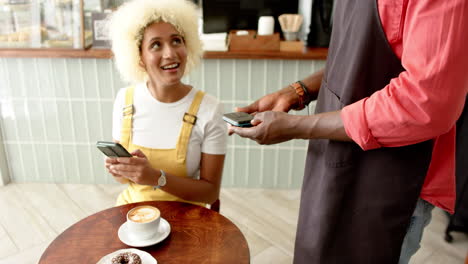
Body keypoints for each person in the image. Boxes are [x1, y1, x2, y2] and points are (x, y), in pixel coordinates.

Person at [229, 0, 468, 263]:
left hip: (391, 179)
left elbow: (427, 102)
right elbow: (357, 56)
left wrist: (297, 127)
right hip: (335, 161)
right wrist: (298, 91)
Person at [104, 0, 227, 207]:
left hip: (189, 218)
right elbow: (124, 180)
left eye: (176, 41)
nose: (170, 53)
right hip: (135, 215)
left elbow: (210, 193)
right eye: (155, 45)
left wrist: (156, 177)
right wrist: (119, 170)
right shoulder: (125, 100)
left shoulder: (209, 109)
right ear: (139, 57)